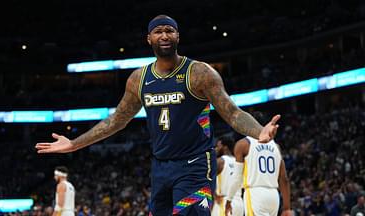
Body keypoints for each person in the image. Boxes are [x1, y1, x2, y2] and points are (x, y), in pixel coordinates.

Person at [36, 15, 280, 215]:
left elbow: (232, 112)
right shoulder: (139, 79)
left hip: (195, 164)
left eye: (169, 30)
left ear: (177, 37)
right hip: (160, 167)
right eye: (158, 31)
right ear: (149, 38)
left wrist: (259, 130)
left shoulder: (199, 73)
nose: (164, 35)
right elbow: (116, 121)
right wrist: (74, 144)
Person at [225, 112, 291, 216]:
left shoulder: (243, 144)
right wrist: (287, 207)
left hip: (255, 193)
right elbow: (284, 178)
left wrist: (229, 200)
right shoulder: (276, 147)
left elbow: (237, 177)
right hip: (274, 196)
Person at [212, 134, 244, 216]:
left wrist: (214, 195)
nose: (216, 149)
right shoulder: (239, 162)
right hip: (239, 202)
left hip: (224, 201)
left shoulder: (220, 161)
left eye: (218, 146)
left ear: (225, 147)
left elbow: (206, 180)